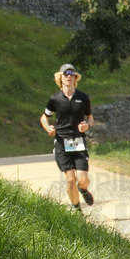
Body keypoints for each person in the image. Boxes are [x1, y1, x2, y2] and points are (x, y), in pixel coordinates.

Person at [40, 63, 94, 212]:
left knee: (83, 180)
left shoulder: (83, 98)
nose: (69, 76)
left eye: (72, 74)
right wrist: (48, 128)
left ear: (76, 77)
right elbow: (44, 118)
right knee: (70, 180)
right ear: (60, 77)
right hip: (62, 142)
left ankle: (83, 190)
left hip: (79, 143)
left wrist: (87, 126)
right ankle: (77, 210)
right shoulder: (55, 99)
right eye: (66, 74)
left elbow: (90, 118)